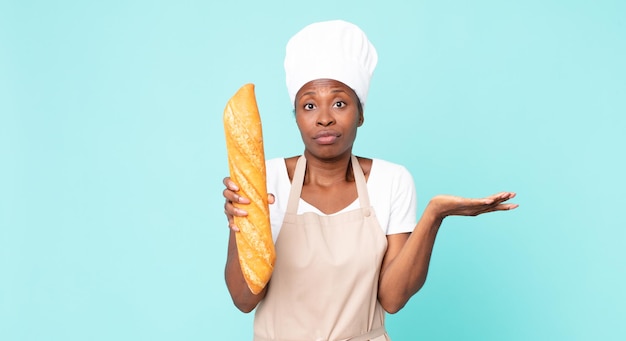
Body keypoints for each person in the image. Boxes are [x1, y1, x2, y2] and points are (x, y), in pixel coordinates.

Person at [222, 20, 518, 341]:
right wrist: (241, 222)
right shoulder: (265, 182)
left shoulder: (392, 181)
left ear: (360, 113)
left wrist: (434, 215)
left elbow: (392, 299)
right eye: (309, 105)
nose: (324, 117)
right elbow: (243, 299)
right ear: (296, 116)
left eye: (339, 103)